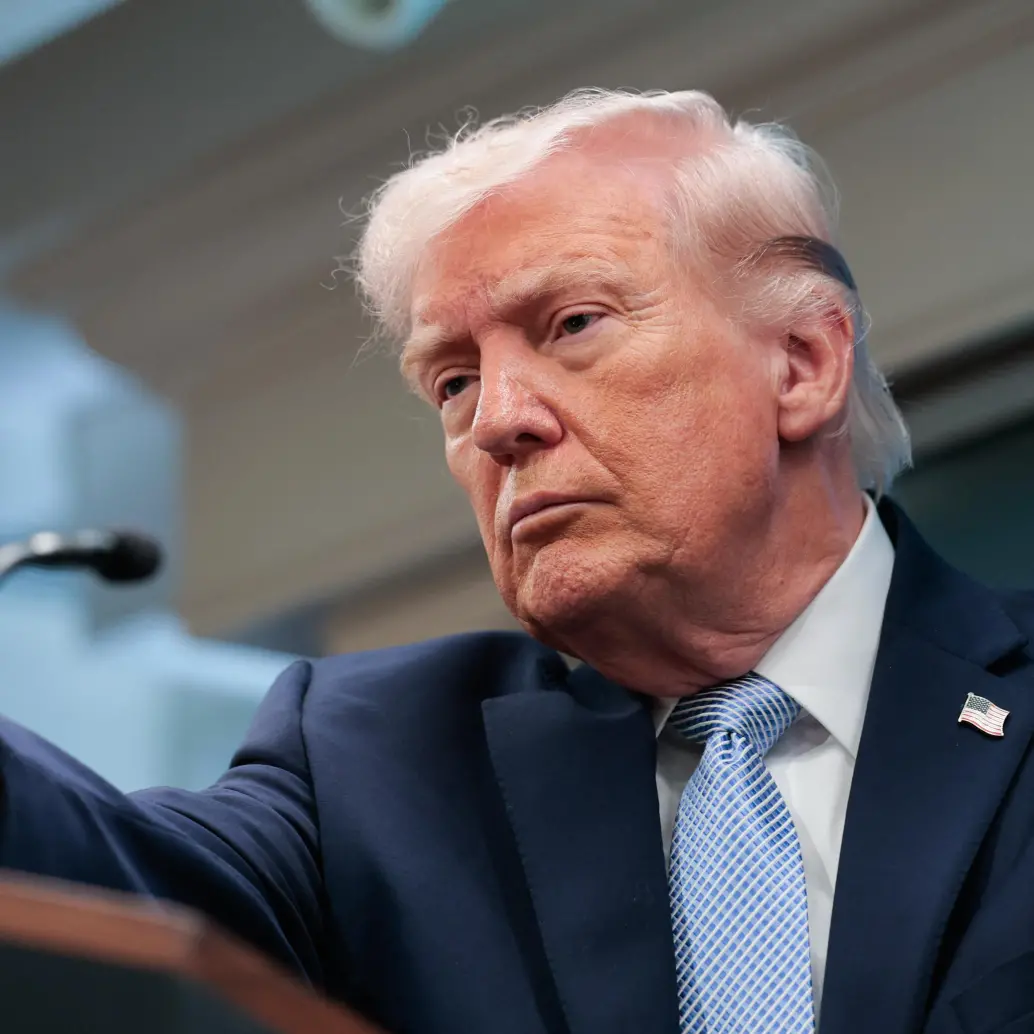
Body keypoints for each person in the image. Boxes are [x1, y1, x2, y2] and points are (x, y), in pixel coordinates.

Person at [1, 88, 1032, 1034]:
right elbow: (104, 895)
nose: (495, 422)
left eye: (573, 323)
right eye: (451, 382)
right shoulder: (378, 763)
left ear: (802, 363)